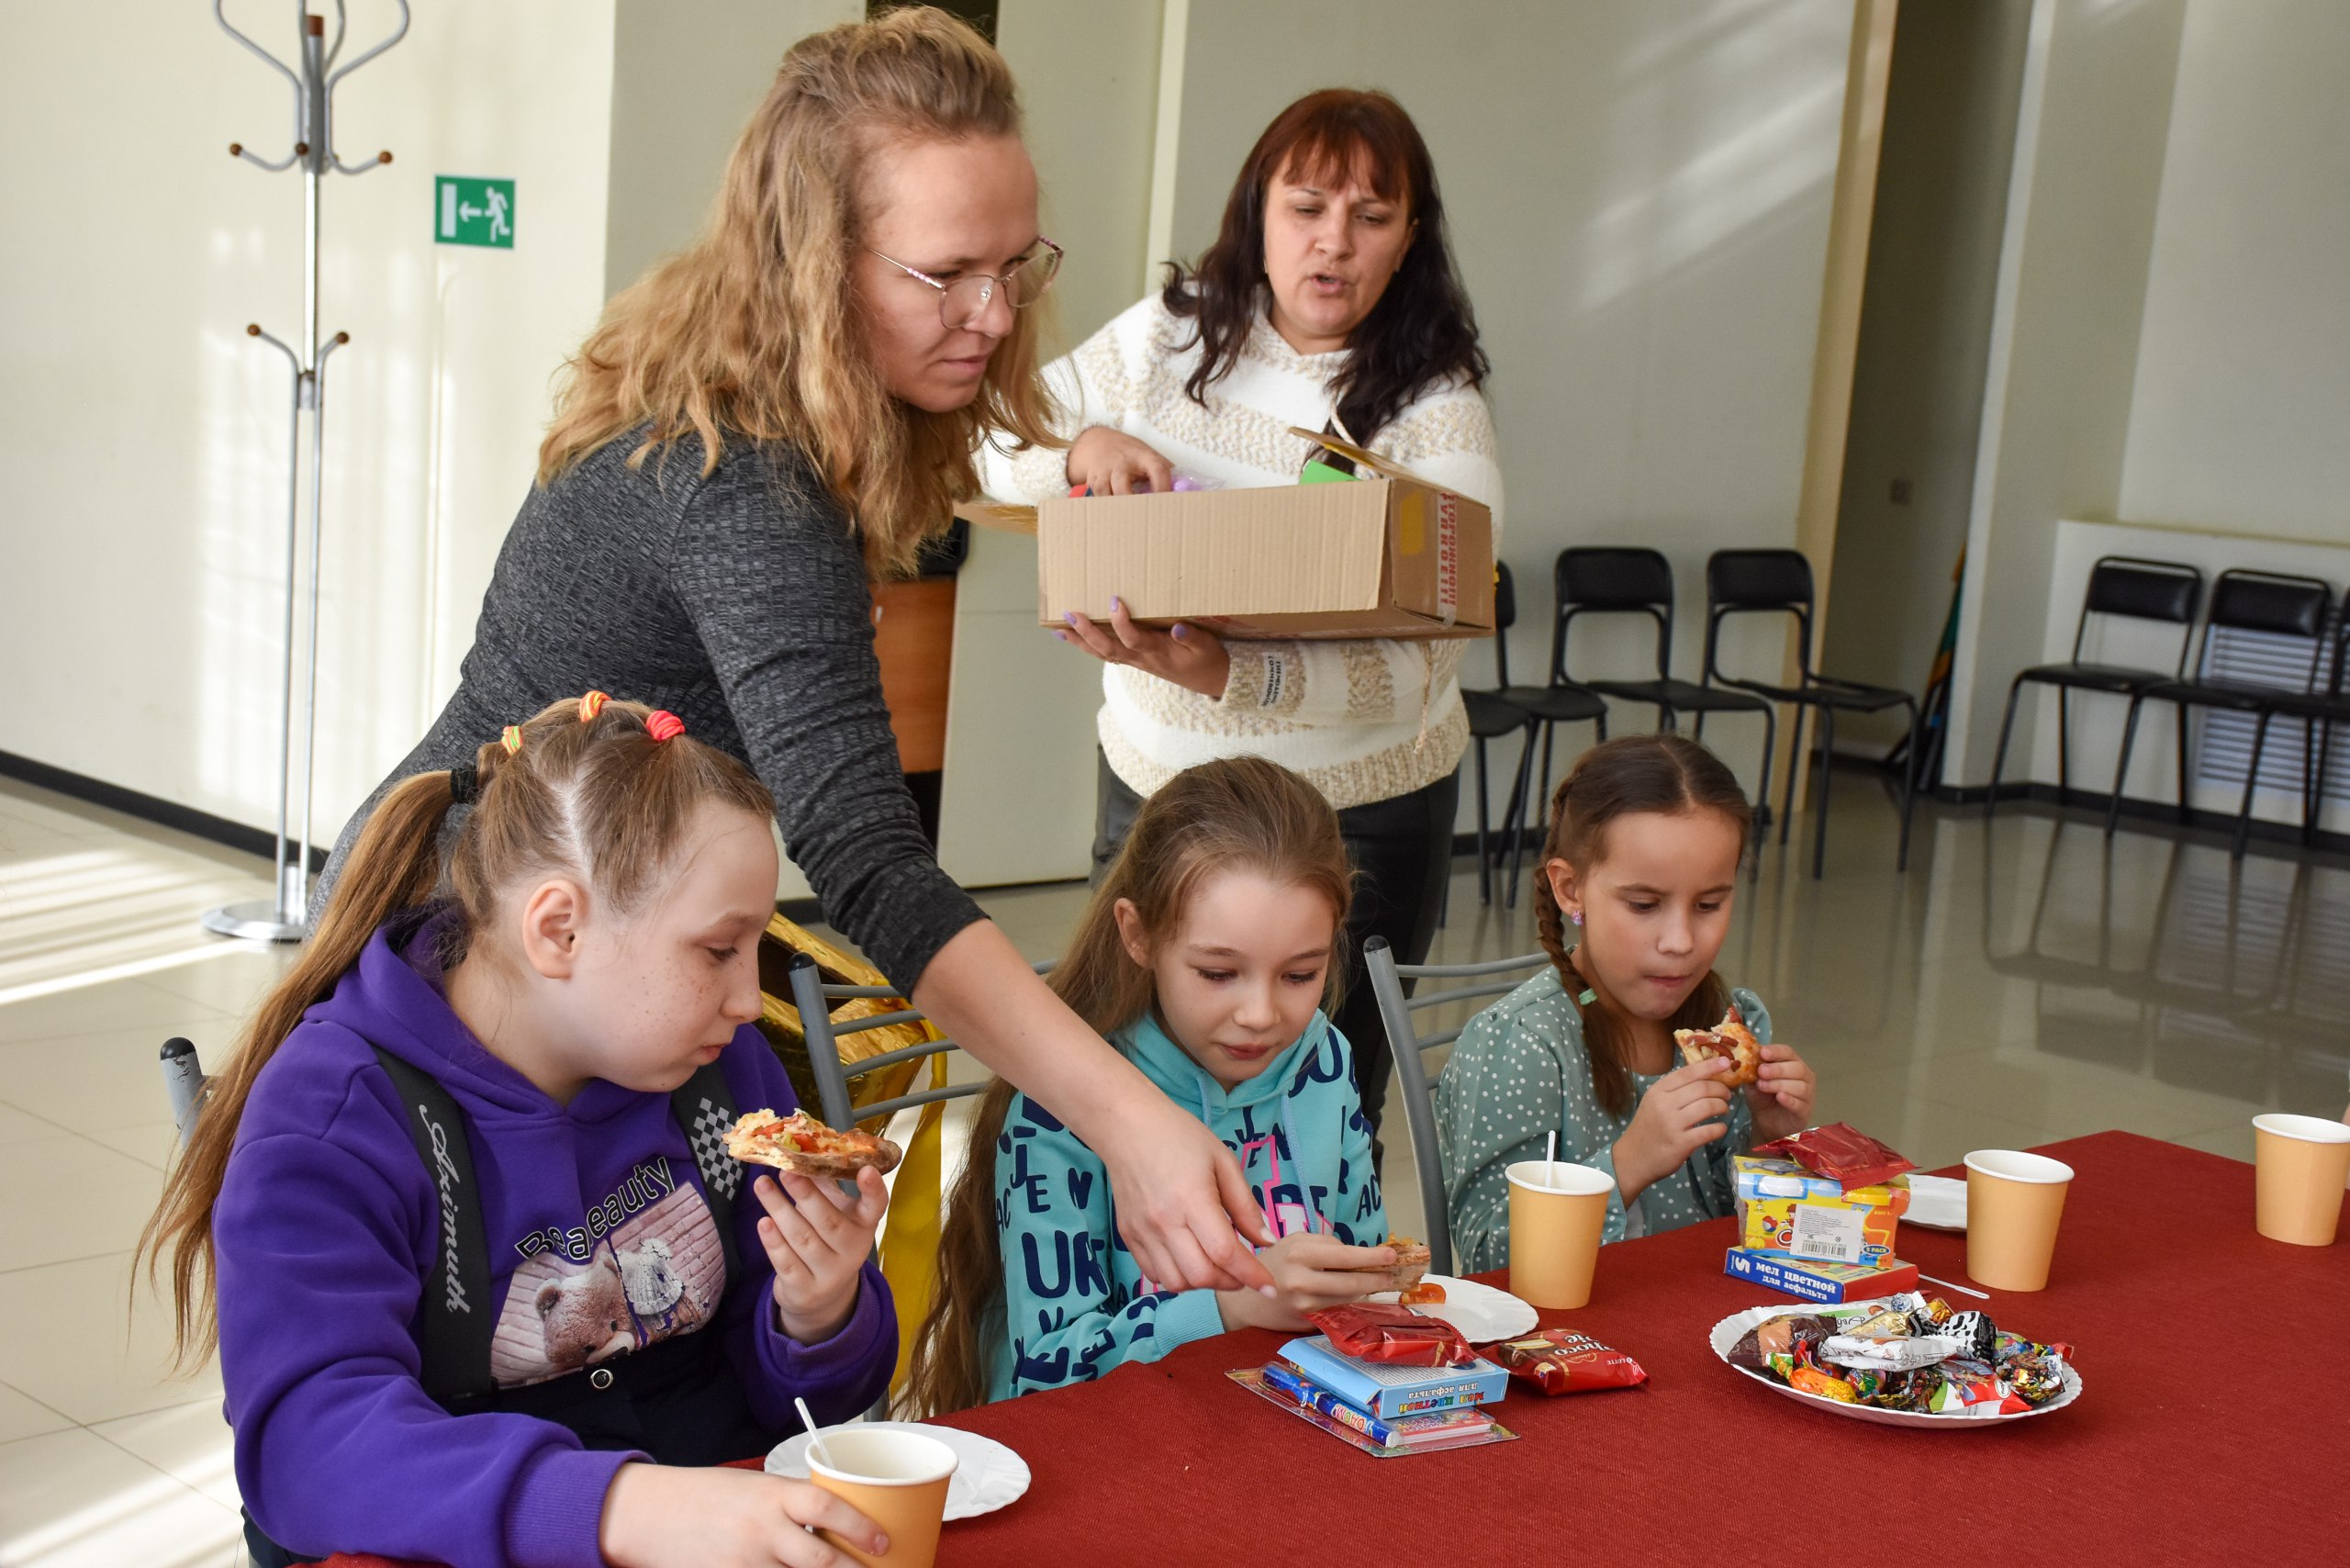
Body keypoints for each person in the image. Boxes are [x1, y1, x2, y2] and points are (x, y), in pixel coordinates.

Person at [313, 10, 1272, 1297]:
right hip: (472, 962)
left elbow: (1013, 444)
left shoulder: (735, 385)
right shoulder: (747, 490)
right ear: (819, 265)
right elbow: (871, 863)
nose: (994, 314)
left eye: (1015, 264)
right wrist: (1128, 1121)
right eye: (946, 274)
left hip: (535, 924)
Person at [140, 698, 900, 1568]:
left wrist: (817, 1314)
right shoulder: (337, 1114)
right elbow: (309, 1448)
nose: (746, 1001)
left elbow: (807, 1399)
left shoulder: (721, 1069)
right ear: (559, 930)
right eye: (718, 950)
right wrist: (621, 1509)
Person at [978, 88, 1498, 1156]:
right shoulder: (1169, 336)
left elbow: (1417, 662)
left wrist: (1225, 671)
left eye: (1370, 217)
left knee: (1326, 1114)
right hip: (1158, 786)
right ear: (1258, 210)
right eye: (1305, 208)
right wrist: (1078, 453)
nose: (1332, 243)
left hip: (1355, 814)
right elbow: (984, 438)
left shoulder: (1437, 409)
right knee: (1127, 1091)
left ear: (1409, 238)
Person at [902, 757, 1393, 1416]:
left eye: (1300, 975)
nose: (1261, 1014)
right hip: (1107, 1441)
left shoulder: (1324, 1059)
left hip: (1274, 1426)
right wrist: (1233, 1307)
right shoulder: (1061, 1103)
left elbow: (1369, 1274)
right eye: (1218, 973)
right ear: (1138, 935)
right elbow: (1049, 1373)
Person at [1435, 735, 1817, 1271]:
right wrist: (1627, 1164)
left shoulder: (1730, 1023)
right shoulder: (1522, 1045)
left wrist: (1770, 1136)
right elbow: (1488, 1260)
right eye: (1644, 904)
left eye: (1709, 904)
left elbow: (1748, 1233)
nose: (1680, 941)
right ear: (1571, 890)